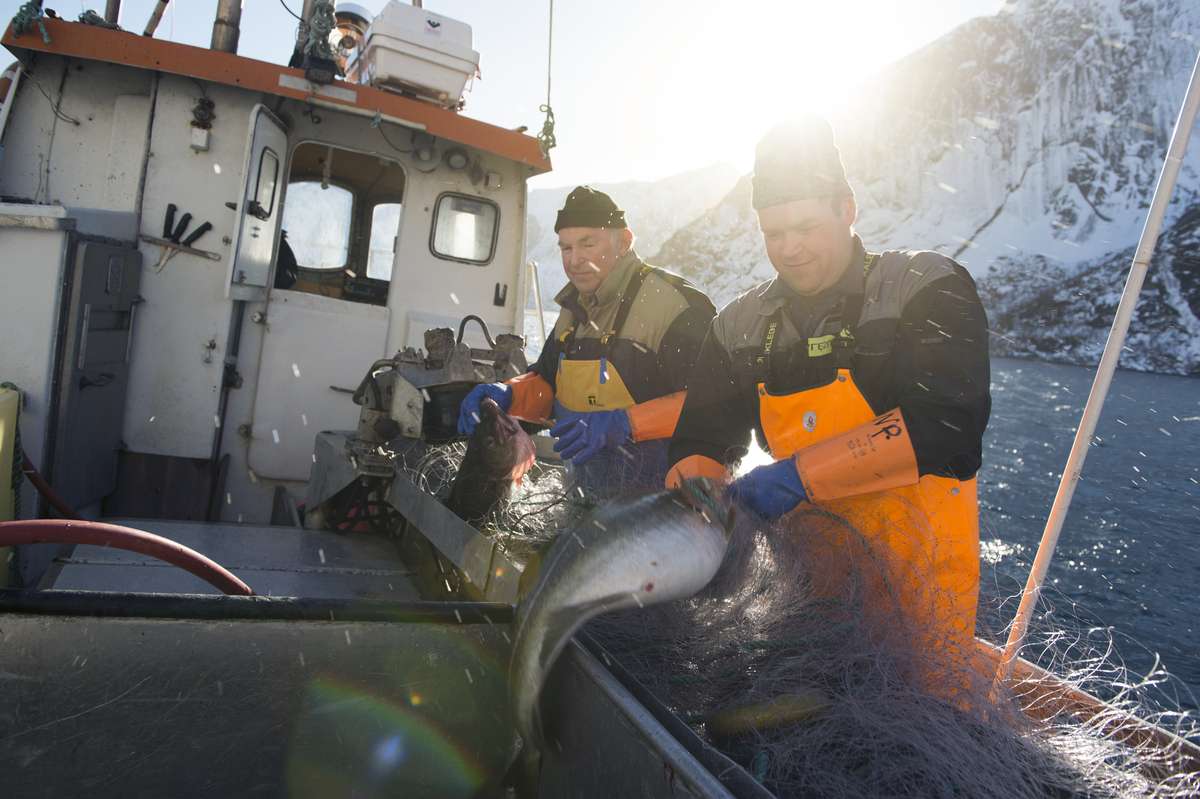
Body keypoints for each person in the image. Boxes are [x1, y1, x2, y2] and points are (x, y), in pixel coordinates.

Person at [667, 117, 991, 660]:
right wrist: (696, 510)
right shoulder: (737, 326)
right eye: (773, 234)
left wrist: (799, 476)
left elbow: (947, 427)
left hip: (921, 613)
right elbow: (700, 437)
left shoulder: (925, 287)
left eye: (806, 227)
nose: (789, 248)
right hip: (804, 601)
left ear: (847, 209)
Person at [459, 187, 715, 496]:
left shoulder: (676, 305)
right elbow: (548, 384)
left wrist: (626, 424)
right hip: (589, 495)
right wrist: (509, 394)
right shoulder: (573, 310)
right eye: (566, 248)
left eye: (588, 244)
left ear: (624, 241)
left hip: (670, 503)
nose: (575, 259)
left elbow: (711, 404)